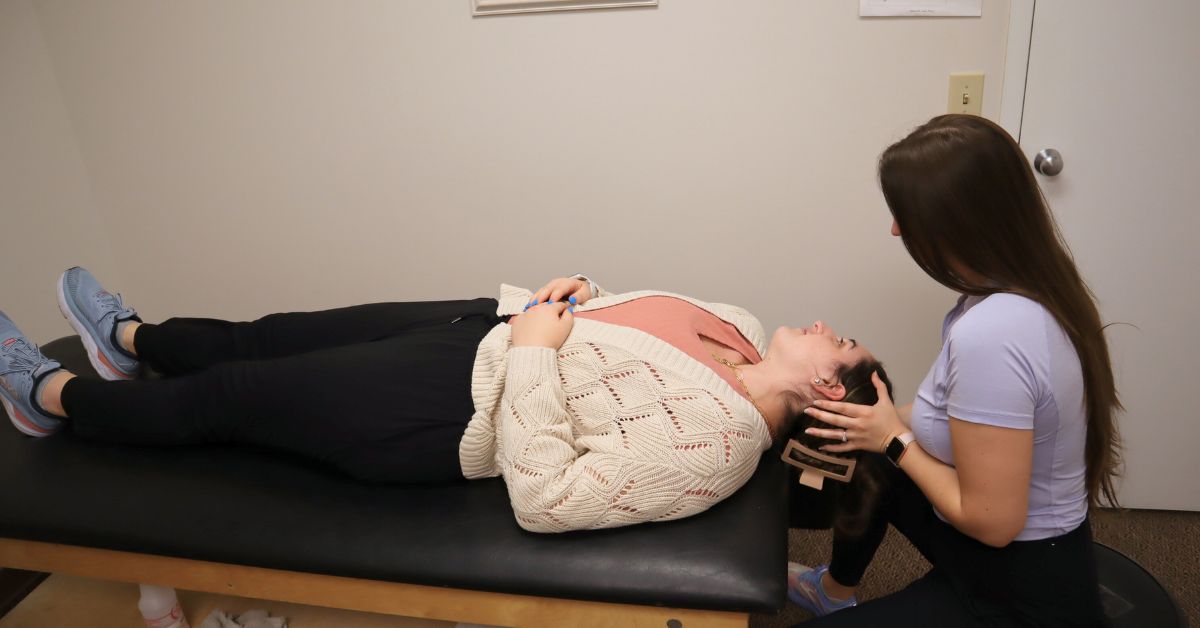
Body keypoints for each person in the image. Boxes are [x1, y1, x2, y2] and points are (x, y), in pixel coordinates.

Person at [0, 268, 888, 533]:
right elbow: (619, 346)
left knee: (231, 396)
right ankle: (132, 342)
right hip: (480, 326)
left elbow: (548, 498)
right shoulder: (737, 321)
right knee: (269, 330)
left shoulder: (721, 444)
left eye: (836, 341)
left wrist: (539, 354)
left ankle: (59, 397)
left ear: (822, 388)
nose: (820, 323)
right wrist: (572, 298)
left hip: (447, 413)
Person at [786, 114, 1117, 626]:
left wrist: (895, 439)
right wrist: (875, 425)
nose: (896, 228)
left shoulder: (995, 333)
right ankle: (833, 591)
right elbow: (960, 415)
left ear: (953, 221)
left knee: (886, 452)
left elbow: (993, 522)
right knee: (871, 454)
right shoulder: (1008, 293)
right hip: (1005, 553)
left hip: (1020, 593)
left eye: (904, 214)